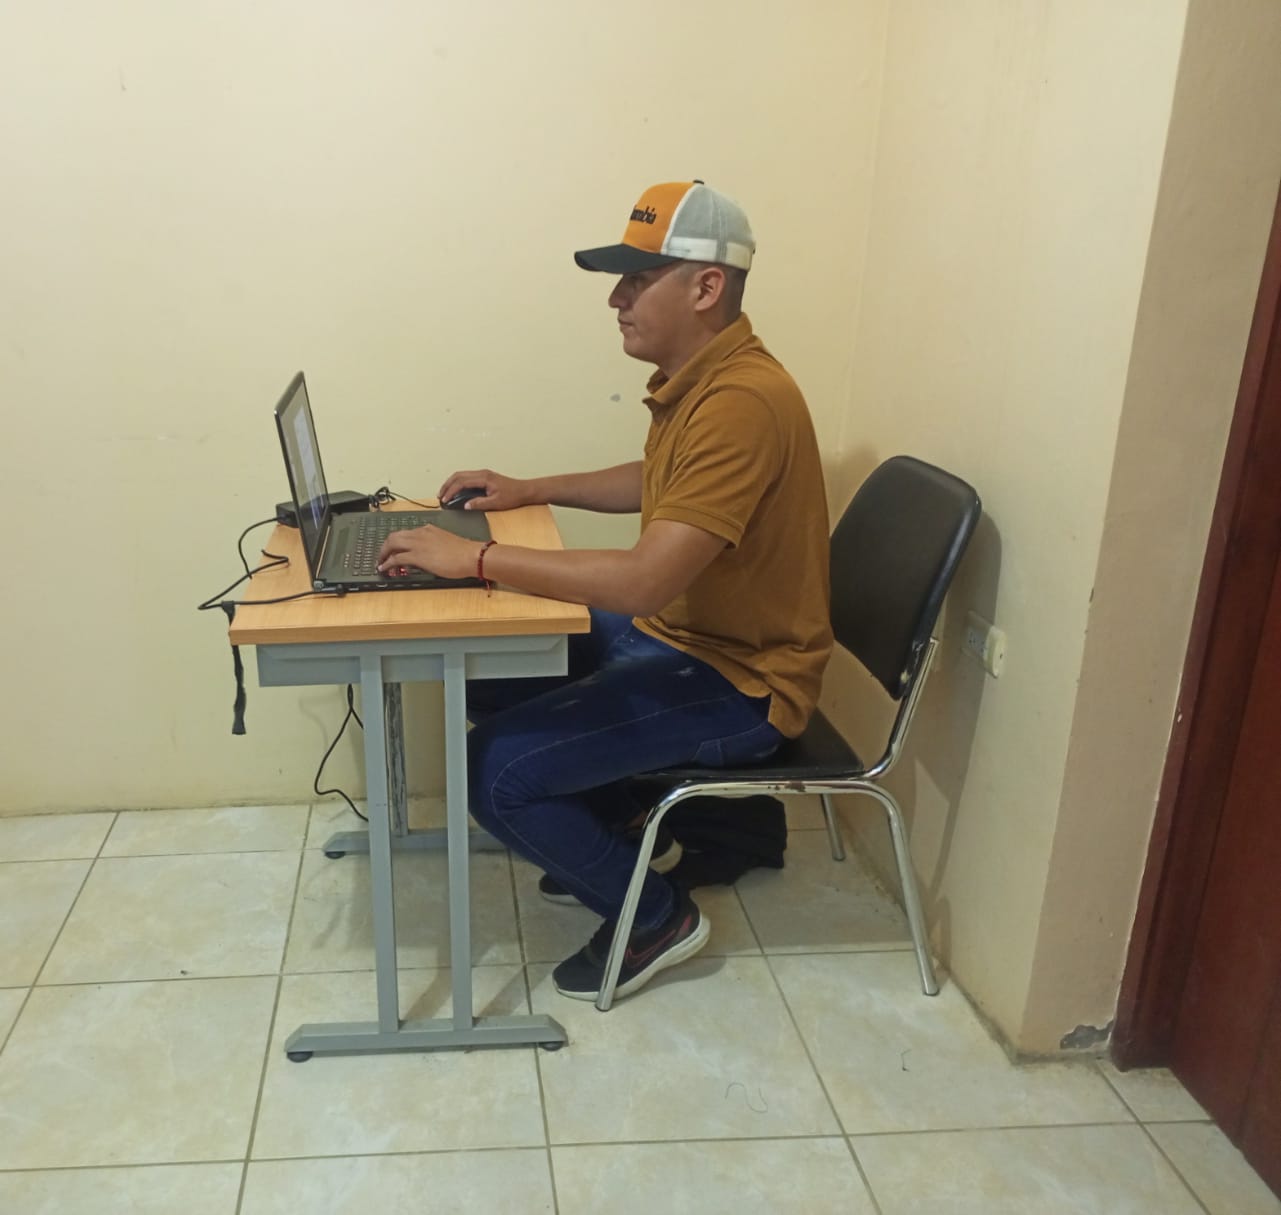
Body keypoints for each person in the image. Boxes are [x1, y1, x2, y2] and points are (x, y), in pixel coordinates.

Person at [377, 180, 832, 1002]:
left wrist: (475, 559)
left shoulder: (741, 401)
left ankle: (655, 917)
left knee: (495, 771)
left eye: (637, 279)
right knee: (490, 663)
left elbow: (643, 578)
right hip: (682, 637)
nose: (616, 299)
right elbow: (660, 482)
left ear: (705, 286)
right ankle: (625, 821)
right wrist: (531, 488)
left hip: (744, 679)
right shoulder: (704, 380)